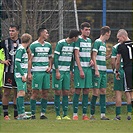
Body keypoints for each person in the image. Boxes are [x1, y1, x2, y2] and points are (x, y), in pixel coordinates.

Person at [52, 29, 79, 120]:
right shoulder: (61, 43)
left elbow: (72, 58)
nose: (78, 38)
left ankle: (65, 114)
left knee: (66, 92)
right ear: (74, 37)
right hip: (59, 70)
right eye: (77, 37)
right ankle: (57, 114)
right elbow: (55, 58)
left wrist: (71, 70)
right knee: (58, 91)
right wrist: (57, 71)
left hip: (67, 71)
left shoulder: (73, 44)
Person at [28, 27, 52, 119]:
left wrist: (50, 67)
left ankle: (42, 114)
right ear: (41, 33)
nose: (47, 34)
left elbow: (50, 58)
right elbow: (30, 60)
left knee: (45, 92)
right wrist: (29, 73)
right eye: (46, 33)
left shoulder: (48, 45)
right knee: (35, 92)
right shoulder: (33, 45)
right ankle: (33, 114)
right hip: (37, 71)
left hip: (46, 72)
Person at [72, 22, 93, 120]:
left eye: (89, 29)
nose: (88, 31)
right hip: (79, 68)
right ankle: (75, 114)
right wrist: (80, 70)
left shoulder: (89, 41)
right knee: (77, 90)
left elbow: (89, 54)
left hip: (88, 68)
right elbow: (76, 55)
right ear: (81, 30)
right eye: (86, 29)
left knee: (87, 90)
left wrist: (91, 60)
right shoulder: (78, 40)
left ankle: (84, 114)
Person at [0, 24, 21, 120]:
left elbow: (29, 54)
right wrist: (3, 61)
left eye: (13, 31)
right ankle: (5, 114)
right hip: (8, 71)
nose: (11, 32)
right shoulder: (5, 42)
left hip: (19, 72)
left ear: (17, 32)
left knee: (17, 92)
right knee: (7, 92)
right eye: (10, 31)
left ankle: (16, 114)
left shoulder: (21, 42)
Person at [90, 26, 111, 120]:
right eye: (109, 34)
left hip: (103, 71)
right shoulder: (97, 42)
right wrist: (96, 69)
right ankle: (92, 114)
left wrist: (109, 56)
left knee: (103, 91)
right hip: (97, 71)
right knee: (95, 92)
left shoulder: (103, 44)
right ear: (106, 33)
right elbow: (93, 56)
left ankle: (103, 114)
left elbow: (101, 57)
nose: (109, 36)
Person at [115, 29, 133, 120]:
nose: (119, 41)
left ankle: (129, 114)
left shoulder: (121, 47)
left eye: (119, 39)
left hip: (128, 70)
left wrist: (117, 71)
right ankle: (130, 113)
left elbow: (118, 61)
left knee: (128, 91)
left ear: (123, 37)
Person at [14, 33, 32, 120]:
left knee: (20, 93)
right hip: (19, 75)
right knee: (21, 93)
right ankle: (21, 113)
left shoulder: (23, 49)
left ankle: (21, 112)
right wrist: (22, 75)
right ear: (29, 41)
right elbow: (17, 62)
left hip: (22, 74)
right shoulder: (20, 49)